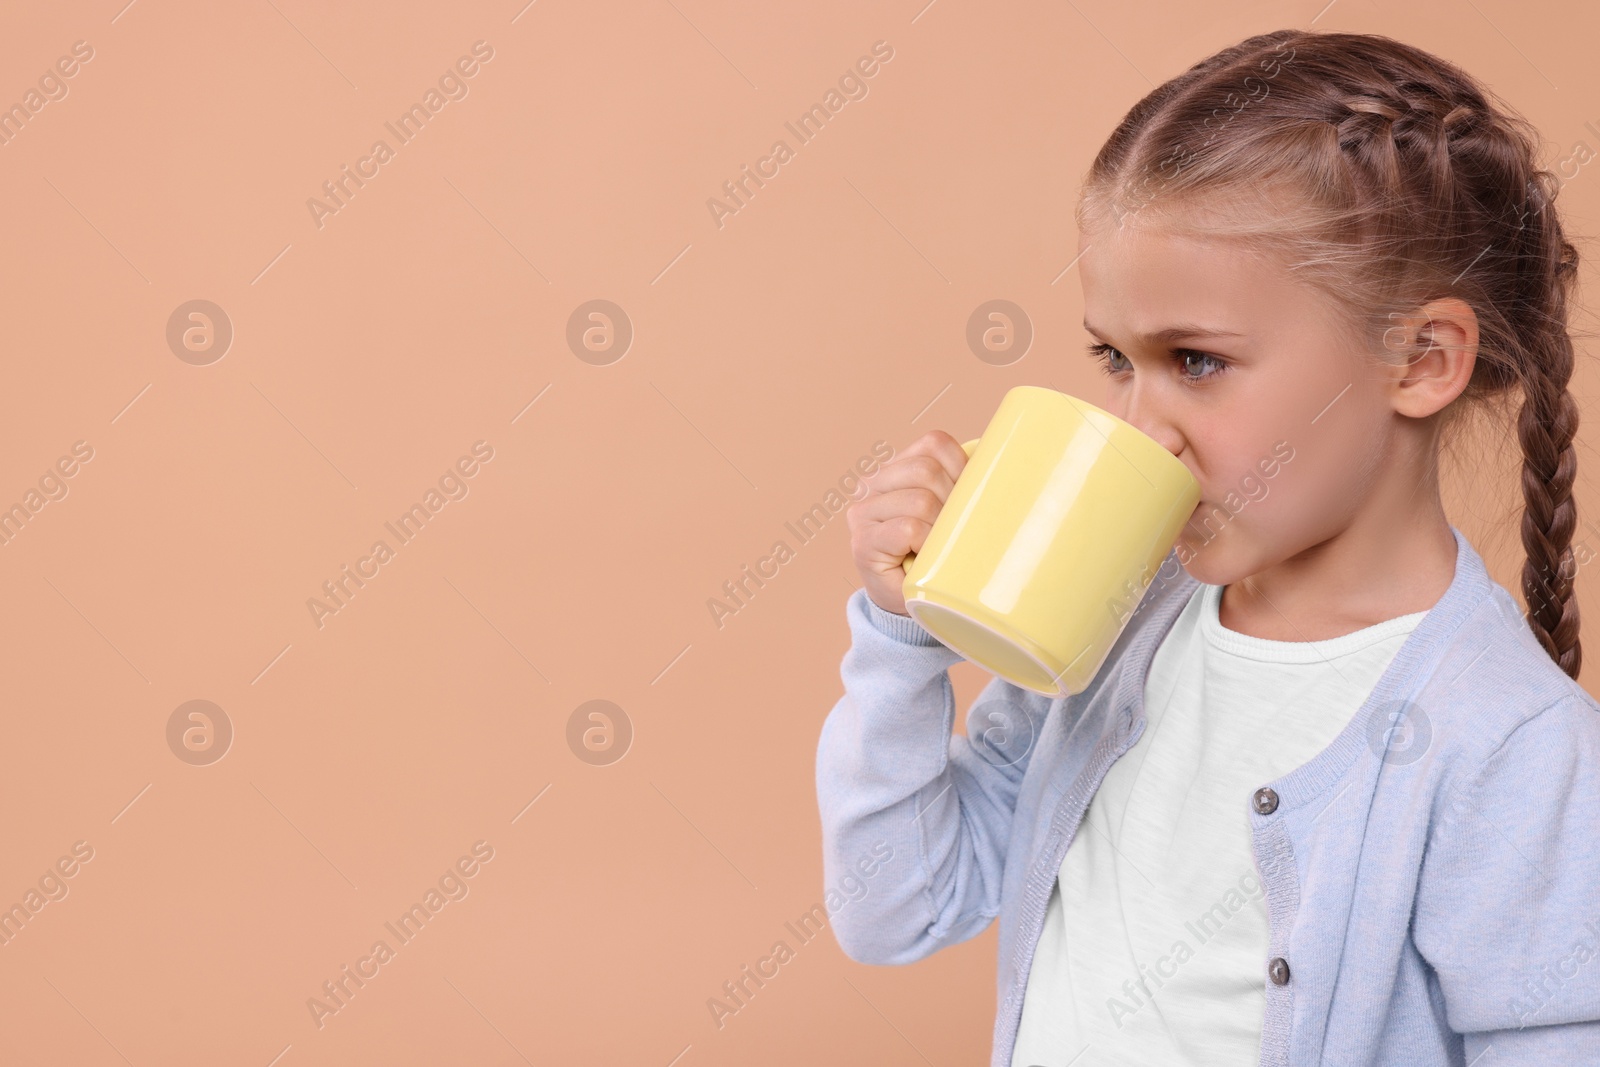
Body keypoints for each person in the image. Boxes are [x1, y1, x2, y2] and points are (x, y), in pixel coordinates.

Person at [815, 28, 1600, 1067]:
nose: (1141, 425)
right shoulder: (1112, 617)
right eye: (1114, 357)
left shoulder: (1506, 741)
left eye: (1196, 359)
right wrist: (903, 635)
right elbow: (895, 910)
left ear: (1419, 359)